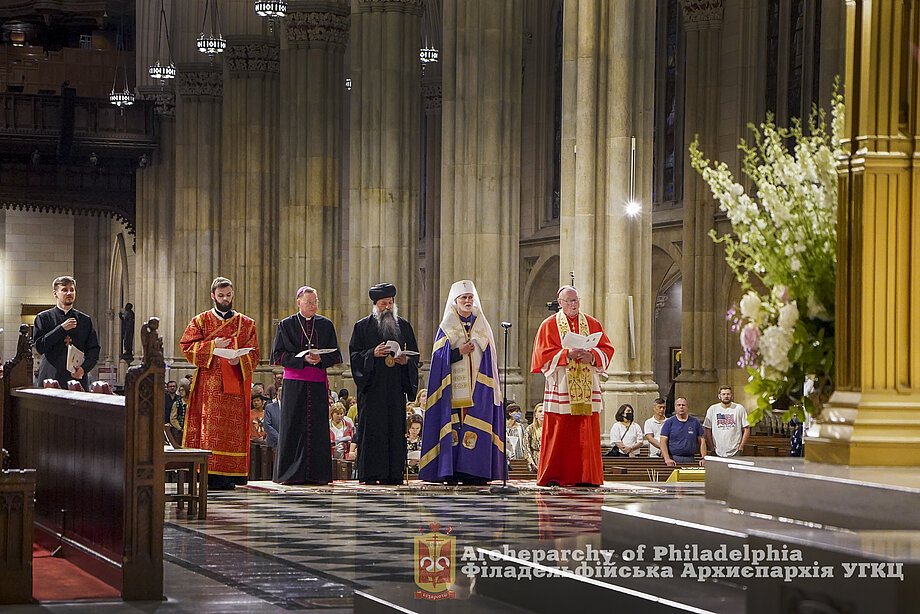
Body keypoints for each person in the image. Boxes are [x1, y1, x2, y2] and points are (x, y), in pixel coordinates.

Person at [418, 280, 506, 484]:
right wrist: (459, 352)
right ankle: (452, 471)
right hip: (453, 390)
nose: (467, 301)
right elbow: (439, 359)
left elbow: (491, 358)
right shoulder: (447, 326)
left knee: (477, 426)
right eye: (463, 298)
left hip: (478, 389)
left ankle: (476, 471)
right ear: (456, 301)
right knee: (455, 429)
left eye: (470, 298)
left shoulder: (482, 325)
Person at [180, 276, 260, 490]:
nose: (225, 299)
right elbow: (186, 346)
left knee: (231, 431)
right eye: (221, 295)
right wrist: (213, 345)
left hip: (234, 384)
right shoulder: (201, 321)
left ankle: (231, 475)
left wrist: (240, 358)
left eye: (228, 295)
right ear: (213, 296)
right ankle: (207, 473)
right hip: (209, 385)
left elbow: (254, 354)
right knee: (209, 429)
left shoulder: (246, 323)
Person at [530, 286, 614, 487]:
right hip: (561, 385)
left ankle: (587, 476)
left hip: (587, 385)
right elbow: (541, 355)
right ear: (560, 302)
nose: (573, 305)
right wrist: (565, 354)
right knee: (560, 430)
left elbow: (607, 348)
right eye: (569, 301)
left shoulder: (592, 323)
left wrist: (592, 355)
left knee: (585, 430)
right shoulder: (549, 325)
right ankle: (555, 476)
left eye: (576, 300)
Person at [270, 286, 343, 485]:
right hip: (295, 383)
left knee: (317, 429)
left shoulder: (326, 325)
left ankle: (317, 475)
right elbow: (277, 356)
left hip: (318, 383)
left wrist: (320, 359)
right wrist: (301, 360)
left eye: (315, 302)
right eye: (309, 302)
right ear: (299, 302)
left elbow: (336, 355)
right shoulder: (286, 325)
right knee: (293, 426)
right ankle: (290, 474)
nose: (313, 306)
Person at [349, 283, 420, 485]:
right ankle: (371, 474)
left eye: (390, 303)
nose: (387, 307)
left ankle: (393, 474)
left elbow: (415, 355)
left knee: (395, 430)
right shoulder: (362, 326)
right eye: (383, 304)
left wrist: (406, 361)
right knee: (373, 431)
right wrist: (372, 354)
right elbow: (354, 357)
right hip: (372, 391)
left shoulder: (403, 326)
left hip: (395, 389)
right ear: (375, 305)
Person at [33, 275, 101, 390]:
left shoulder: (84, 320)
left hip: (77, 377)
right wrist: (61, 329)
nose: (69, 293)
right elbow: (39, 347)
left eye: (72, 290)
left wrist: (84, 369)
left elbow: (94, 350)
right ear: (55, 293)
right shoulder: (43, 318)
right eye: (64, 290)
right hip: (51, 375)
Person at [703, 385, 750, 457]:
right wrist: (712, 448)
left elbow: (746, 429)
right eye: (723, 394)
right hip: (717, 450)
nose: (726, 396)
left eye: (728, 394)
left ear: (732, 396)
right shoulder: (712, 409)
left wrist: (740, 448)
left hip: (735, 450)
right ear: (719, 396)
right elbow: (707, 429)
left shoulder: (739, 408)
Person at [660, 397, 707, 466]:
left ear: (687, 407)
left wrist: (703, 458)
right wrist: (667, 459)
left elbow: (702, 440)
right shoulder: (669, 422)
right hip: (673, 459)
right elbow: (663, 442)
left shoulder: (695, 421)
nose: (681, 407)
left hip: (690, 458)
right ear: (675, 407)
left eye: (683, 405)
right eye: (679, 405)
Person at [524, 403, 544, 472]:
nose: (543, 414)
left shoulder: (551, 429)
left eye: (544, 411)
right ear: (535, 414)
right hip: (535, 460)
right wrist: (532, 463)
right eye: (540, 411)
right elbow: (526, 448)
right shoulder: (530, 429)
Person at [168, 379, 189, 444]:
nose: (181, 392)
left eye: (183, 390)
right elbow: (173, 418)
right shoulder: (177, 403)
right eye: (180, 391)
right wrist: (180, 428)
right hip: (179, 431)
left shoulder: (192, 403)